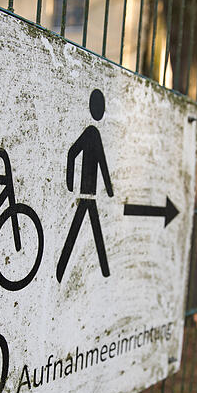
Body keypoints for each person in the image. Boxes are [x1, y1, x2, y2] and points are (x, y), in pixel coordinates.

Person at [56, 89, 114, 282]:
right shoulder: (92, 134)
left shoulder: (92, 133)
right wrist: (70, 183)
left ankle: (101, 270)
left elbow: (75, 154)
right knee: (83, 230)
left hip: (88, 195)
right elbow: (77, 154)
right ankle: (62, 269)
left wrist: (71, 183)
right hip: (87, 195)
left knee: (91, 230)